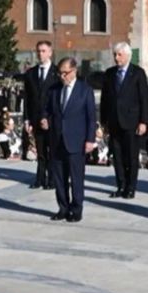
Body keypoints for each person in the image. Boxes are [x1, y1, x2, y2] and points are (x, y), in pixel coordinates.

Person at [42, 57, 96, 223]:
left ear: (74, 71)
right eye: (60, 73)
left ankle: (76, 209)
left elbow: (91, 117)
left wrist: (90, 139)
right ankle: (63, 208)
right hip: (57, 139)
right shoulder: (54, 90)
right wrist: (45, 118)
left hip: (76, 141)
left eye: (65, 73)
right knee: (59, 177)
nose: (62, 76)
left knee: (76, 177)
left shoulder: (85, 90)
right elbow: (47, 109)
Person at [100, 41, 148, 199]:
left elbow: (144, 99)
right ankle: (120, 185)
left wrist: (143, 121)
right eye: (115, 54)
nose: (116, 58)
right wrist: (103, 121)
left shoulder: (137, 73)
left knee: (131, 156)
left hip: (131, 122)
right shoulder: (109, 73)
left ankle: (130, 187)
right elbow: (105, 99)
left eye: (119, 55)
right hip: (114, 122)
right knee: (117, 156)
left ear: (128, 56)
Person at [24, 41, 59, 189]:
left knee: (52, 150)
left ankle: (52, 179)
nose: (40, 54)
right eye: (38, 51)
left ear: (50, 53)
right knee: (40, 151)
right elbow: (27, 97)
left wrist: (49, 117)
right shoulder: (31, 73)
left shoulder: (57, 72)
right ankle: (40, 178)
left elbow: (57, 98)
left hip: (51, 118)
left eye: (44, 51)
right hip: (36, 118)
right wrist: (27, 119)